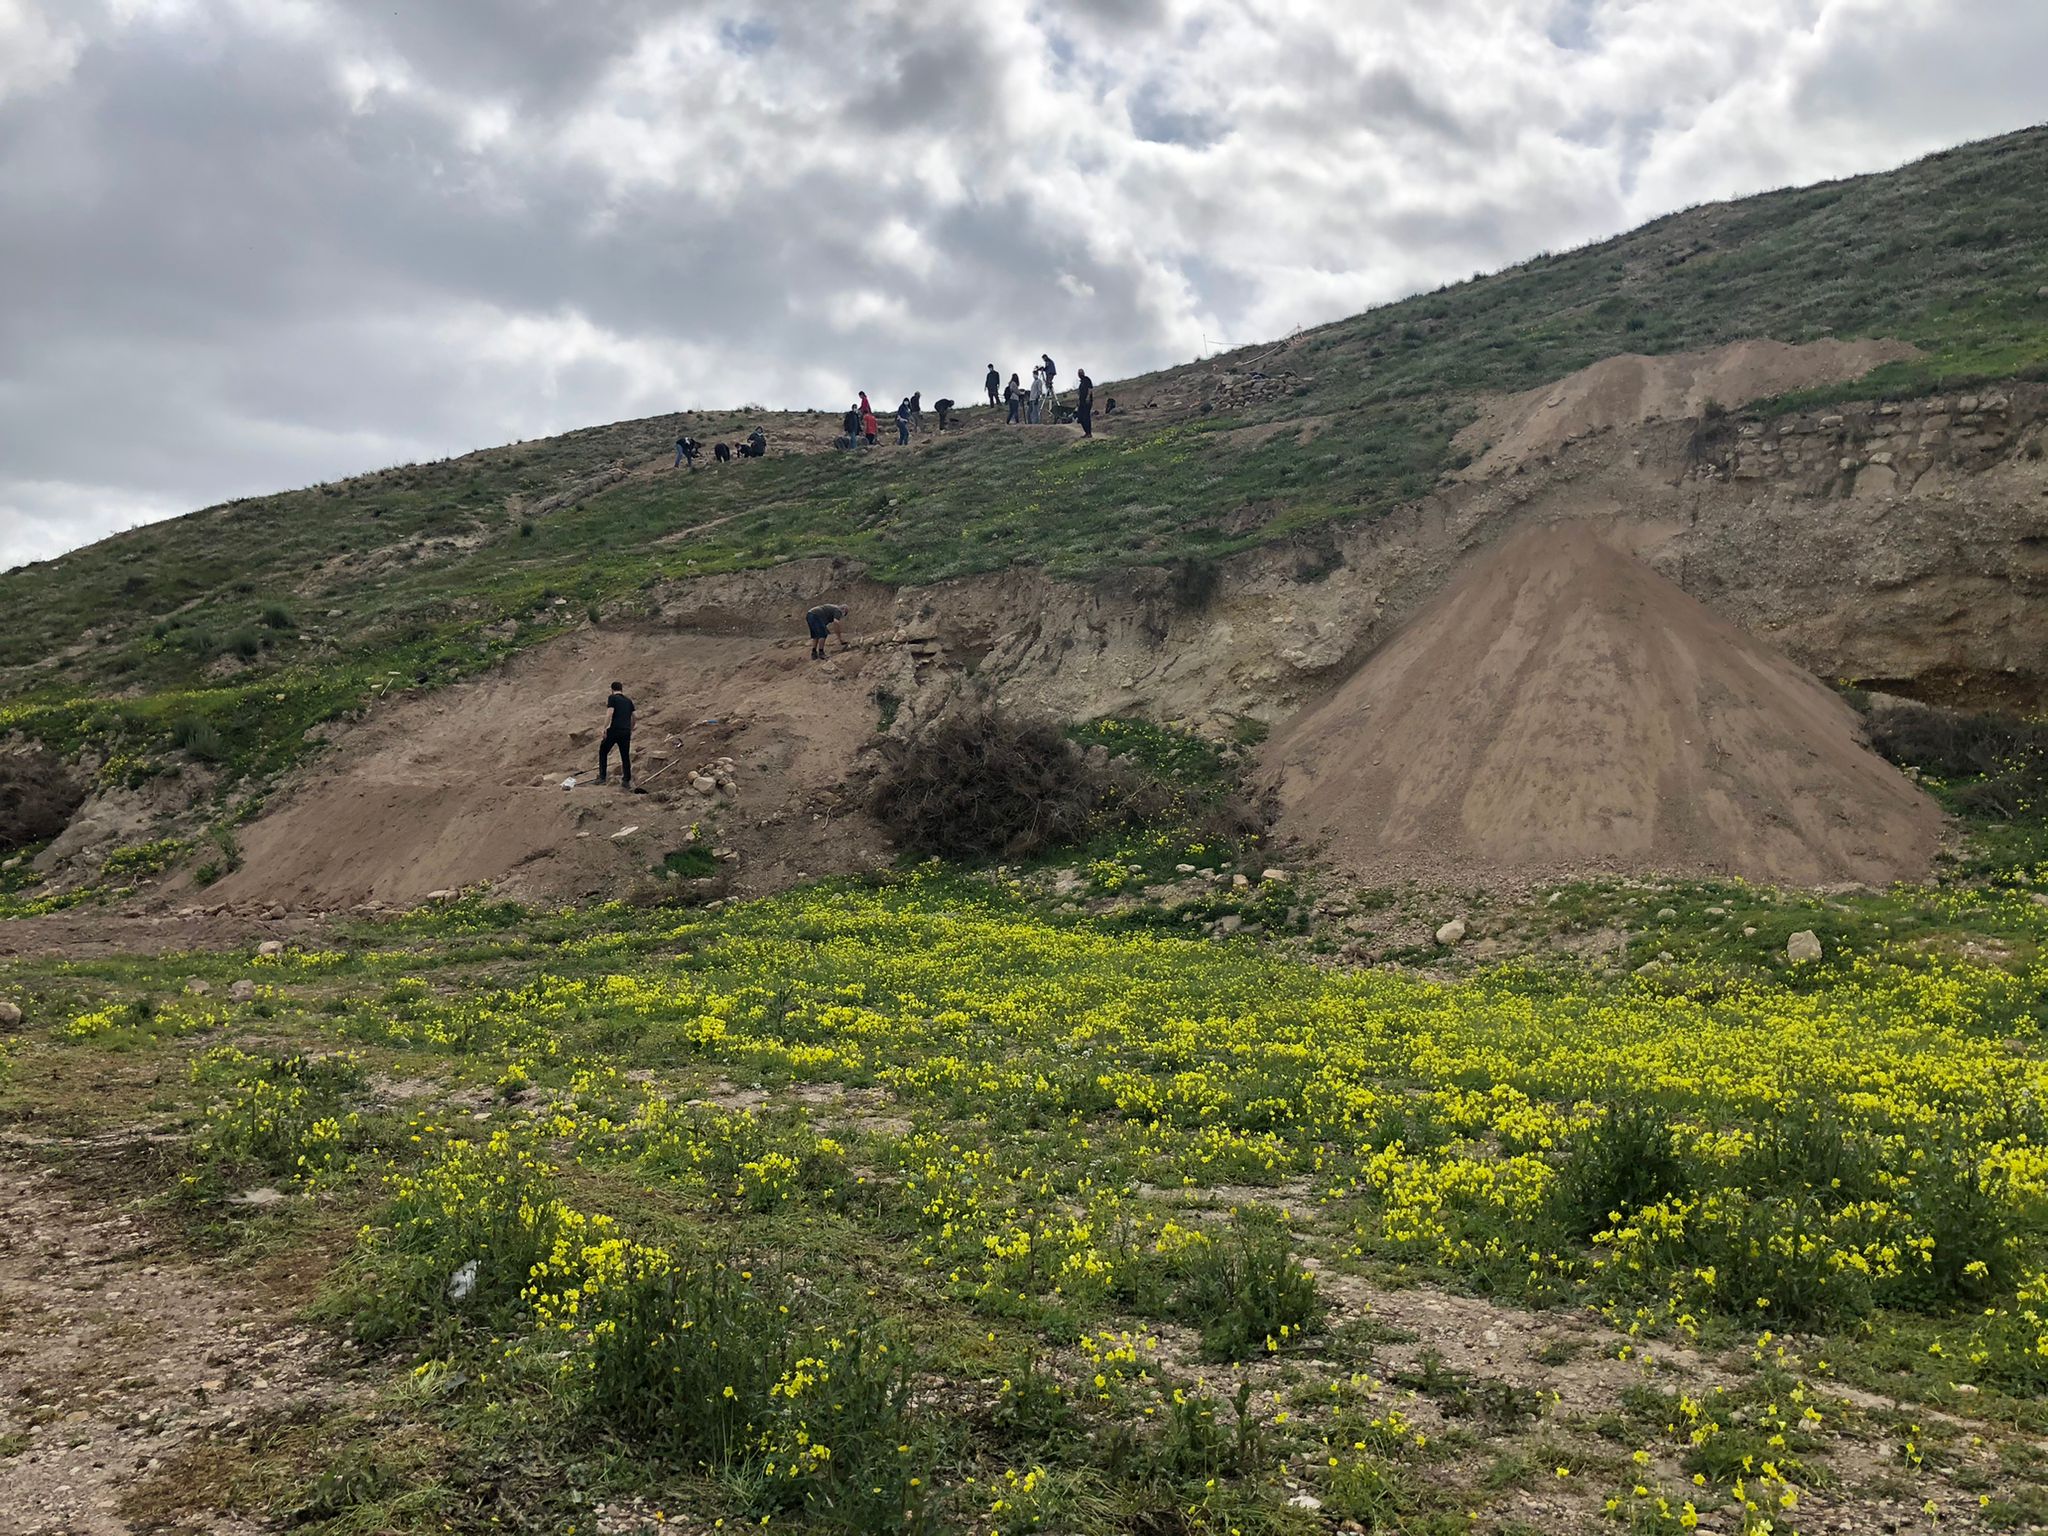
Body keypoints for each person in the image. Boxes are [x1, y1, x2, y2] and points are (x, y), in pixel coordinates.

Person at [598, 681, 634, 788]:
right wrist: (630, 728)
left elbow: (610, 713)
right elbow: (635, 716)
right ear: (621, 689)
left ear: (612, 689)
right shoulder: (628, 701)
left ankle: (602, 777)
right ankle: (626, 780)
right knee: (625, 755)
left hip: (614, 730)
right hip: (626, 731)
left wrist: (604, 728)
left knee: (603, 751)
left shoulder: (612, 698)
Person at [1076, 369, 1094, 437]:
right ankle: (1086, 432)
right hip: (1081, 402)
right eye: (1079, 373)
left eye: (1081, 372)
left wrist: (1088, 397)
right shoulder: (1081, 383)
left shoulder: (1087, 379)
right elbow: (1080, 393)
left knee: (1086, 417)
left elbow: (1090, 389)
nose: (1080, 374)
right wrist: (1078, 401)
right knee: (1080, 417)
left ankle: (1089, 433)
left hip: (1087, 402)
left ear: (1083, 373)